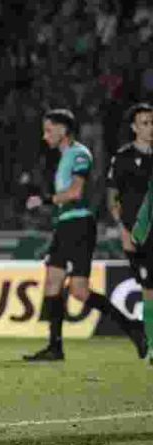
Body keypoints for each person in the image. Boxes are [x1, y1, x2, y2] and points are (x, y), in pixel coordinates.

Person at [24, 108, 146, 362]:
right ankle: (55, 347)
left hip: (78, 225)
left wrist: (44, 200)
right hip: (66, 224)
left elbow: (75, 193)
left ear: (63, 130)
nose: (45, 136)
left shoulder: (79, 154)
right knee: (55, 283)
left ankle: (132, 327)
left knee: (77, 290)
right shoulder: (64, 157)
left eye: (48, 130)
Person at [110, 103, 153, 363]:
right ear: (134, 128)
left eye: (152, 122)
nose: (150, 127)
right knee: (149, 290)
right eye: (145, 123)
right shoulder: (123, 158)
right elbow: (113, 198)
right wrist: (124, 230)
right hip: (138, 235)